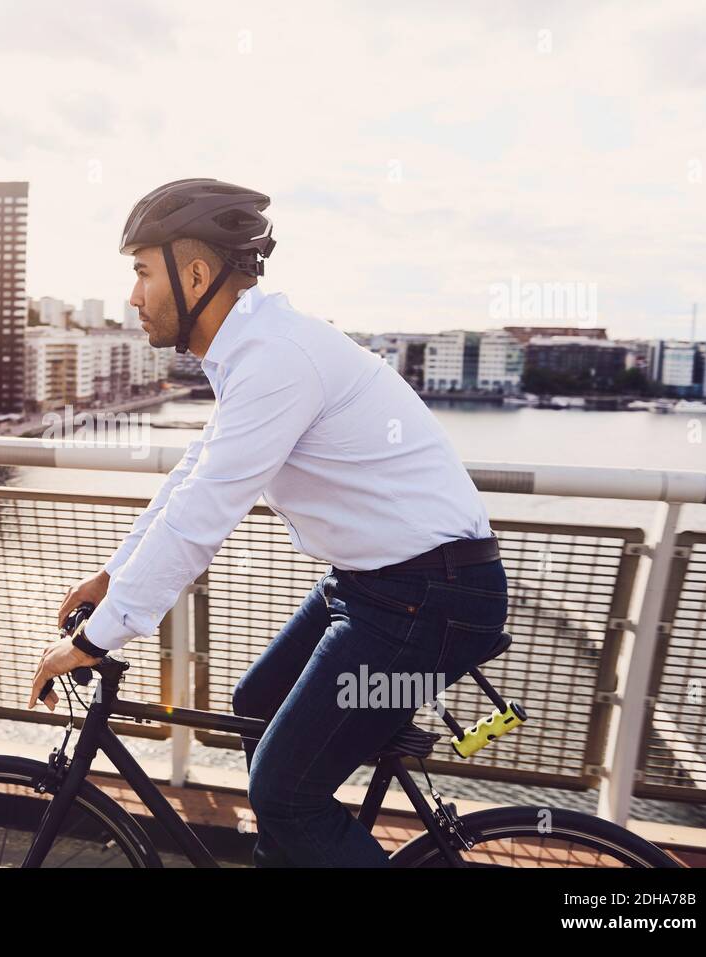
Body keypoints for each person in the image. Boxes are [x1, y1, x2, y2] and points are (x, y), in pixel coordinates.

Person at [31, 177, 509, 867]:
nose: (133, 296)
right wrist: (114, 575)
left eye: (140, 272)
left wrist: (98, 640)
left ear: (195, 273)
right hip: (384, 586)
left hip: (427, 600)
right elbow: (192, 479)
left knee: (286, 793)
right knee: (256, 702)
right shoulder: (254, 351)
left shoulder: (276, 359)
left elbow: (204, 516)